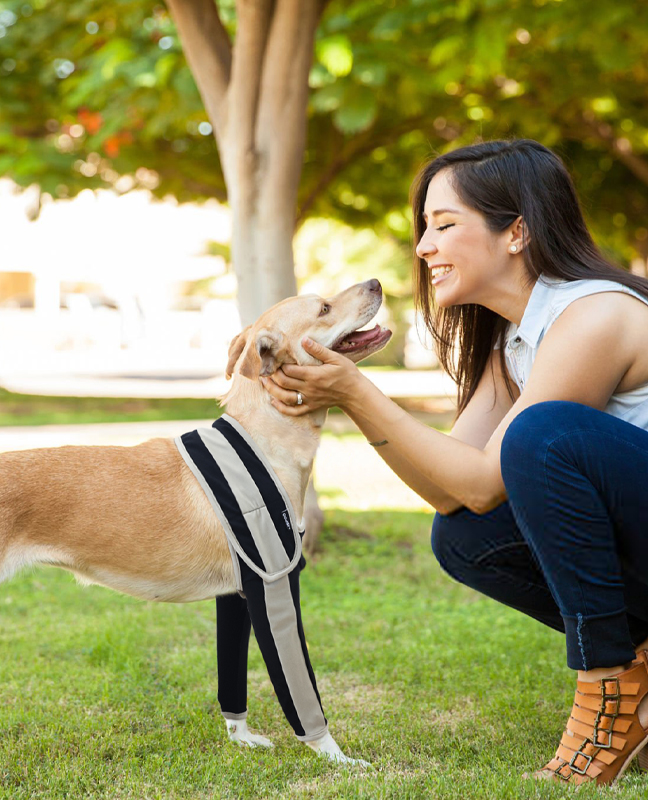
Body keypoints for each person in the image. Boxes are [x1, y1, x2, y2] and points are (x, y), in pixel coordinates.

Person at [262, 139, 648, 785]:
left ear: (517, 232)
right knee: (467, 539)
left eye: (444, 225)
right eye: (424, 228)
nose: (423, 247)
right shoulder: (515, 339)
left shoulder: (595, 314)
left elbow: (486, 474)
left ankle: (608, 680)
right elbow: (454, 495)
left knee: (544, 433)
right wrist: (355, 400)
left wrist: (358, 391)